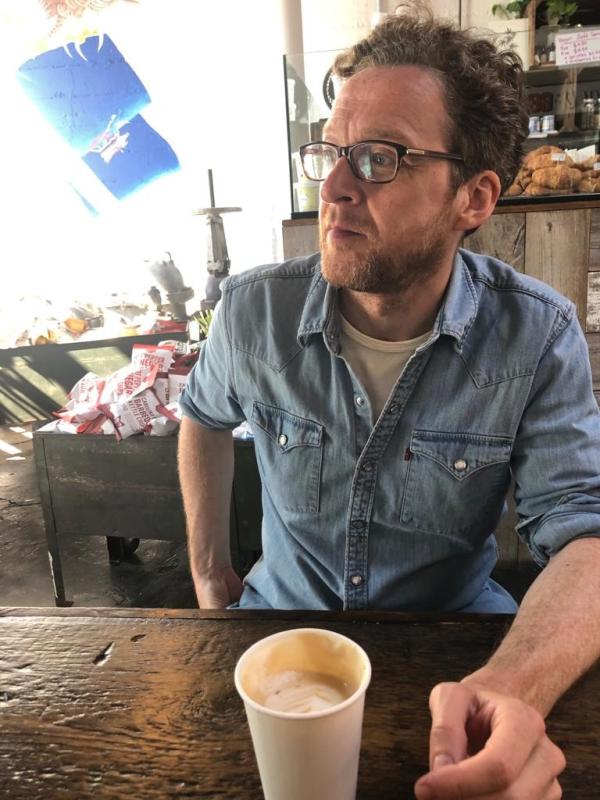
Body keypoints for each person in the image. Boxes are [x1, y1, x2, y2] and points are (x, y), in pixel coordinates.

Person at [178, 8, 600, 799]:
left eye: (379, 159)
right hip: (277, 631)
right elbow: (202, 414)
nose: (334, 188)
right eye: (331, 153)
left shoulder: (536, 336)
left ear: (472, 198)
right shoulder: (251, 313)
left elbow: (587, 535)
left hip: (451, 645)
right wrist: (210, 577)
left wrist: (514, 682)